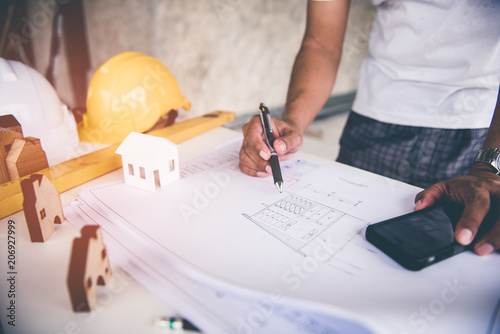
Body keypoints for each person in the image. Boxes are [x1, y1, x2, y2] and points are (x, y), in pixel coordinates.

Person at [239, 0, 500, 256]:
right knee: (337, 246)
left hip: (479, 134)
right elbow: (321, 43)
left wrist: (490, 166)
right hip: (372, 123)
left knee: (449, 253)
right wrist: (293, 123)